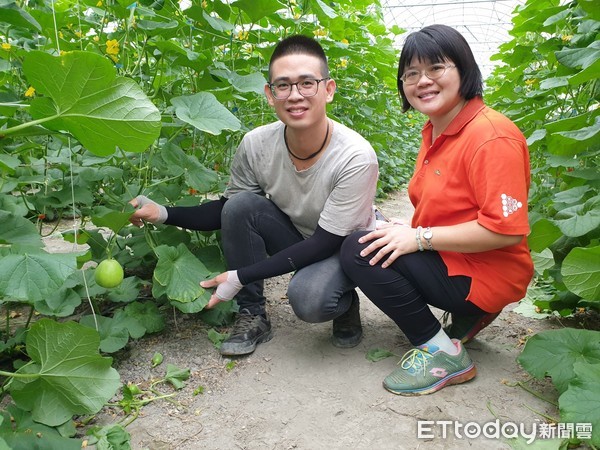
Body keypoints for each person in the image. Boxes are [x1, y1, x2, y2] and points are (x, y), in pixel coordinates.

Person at [130, 35, 379, 356]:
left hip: (342, 247)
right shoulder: (256, 144)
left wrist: (239, 276)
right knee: (241, 205)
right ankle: (253, 314)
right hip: (299, 238)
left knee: (310, 300)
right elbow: (228, 210)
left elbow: (325, 242)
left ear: (328, 90)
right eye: (283, 86)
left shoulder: (355, 155)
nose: (294, 95)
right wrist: (163, 212)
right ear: (269, 94)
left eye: (307, 83)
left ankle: (343, 301)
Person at [340, 24, 533, 396]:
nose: (422, 81)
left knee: (358, 250)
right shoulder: (436, 131)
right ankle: (470, 313)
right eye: (411, 73)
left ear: (464, 69)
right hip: (461, 259)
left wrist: (418, 237)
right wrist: (410, 226)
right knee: (382, 235)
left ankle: (441, 352)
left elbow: (504, 230)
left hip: (488, 270)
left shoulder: (492, 136)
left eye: (436, 68)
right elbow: (454, 207)